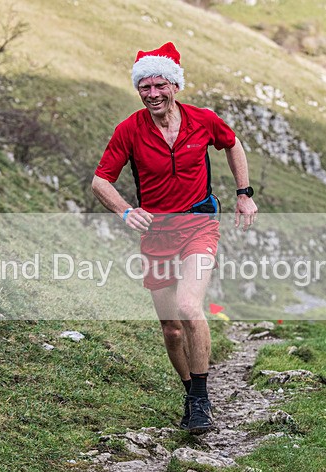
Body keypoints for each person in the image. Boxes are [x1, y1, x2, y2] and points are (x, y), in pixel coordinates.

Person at [91, 42, 258, 434]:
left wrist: (244, 193)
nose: (152, 94)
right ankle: (189, 391)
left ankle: (201, 401)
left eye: (159, 86)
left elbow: (232, 144)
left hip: (199, 225)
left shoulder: (202, 120)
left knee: (188, 306)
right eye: (144, 88)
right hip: (157, 235)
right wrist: (126, 211)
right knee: (171, 328)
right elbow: (101, 181)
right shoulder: (129, 131)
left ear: (175, 86)